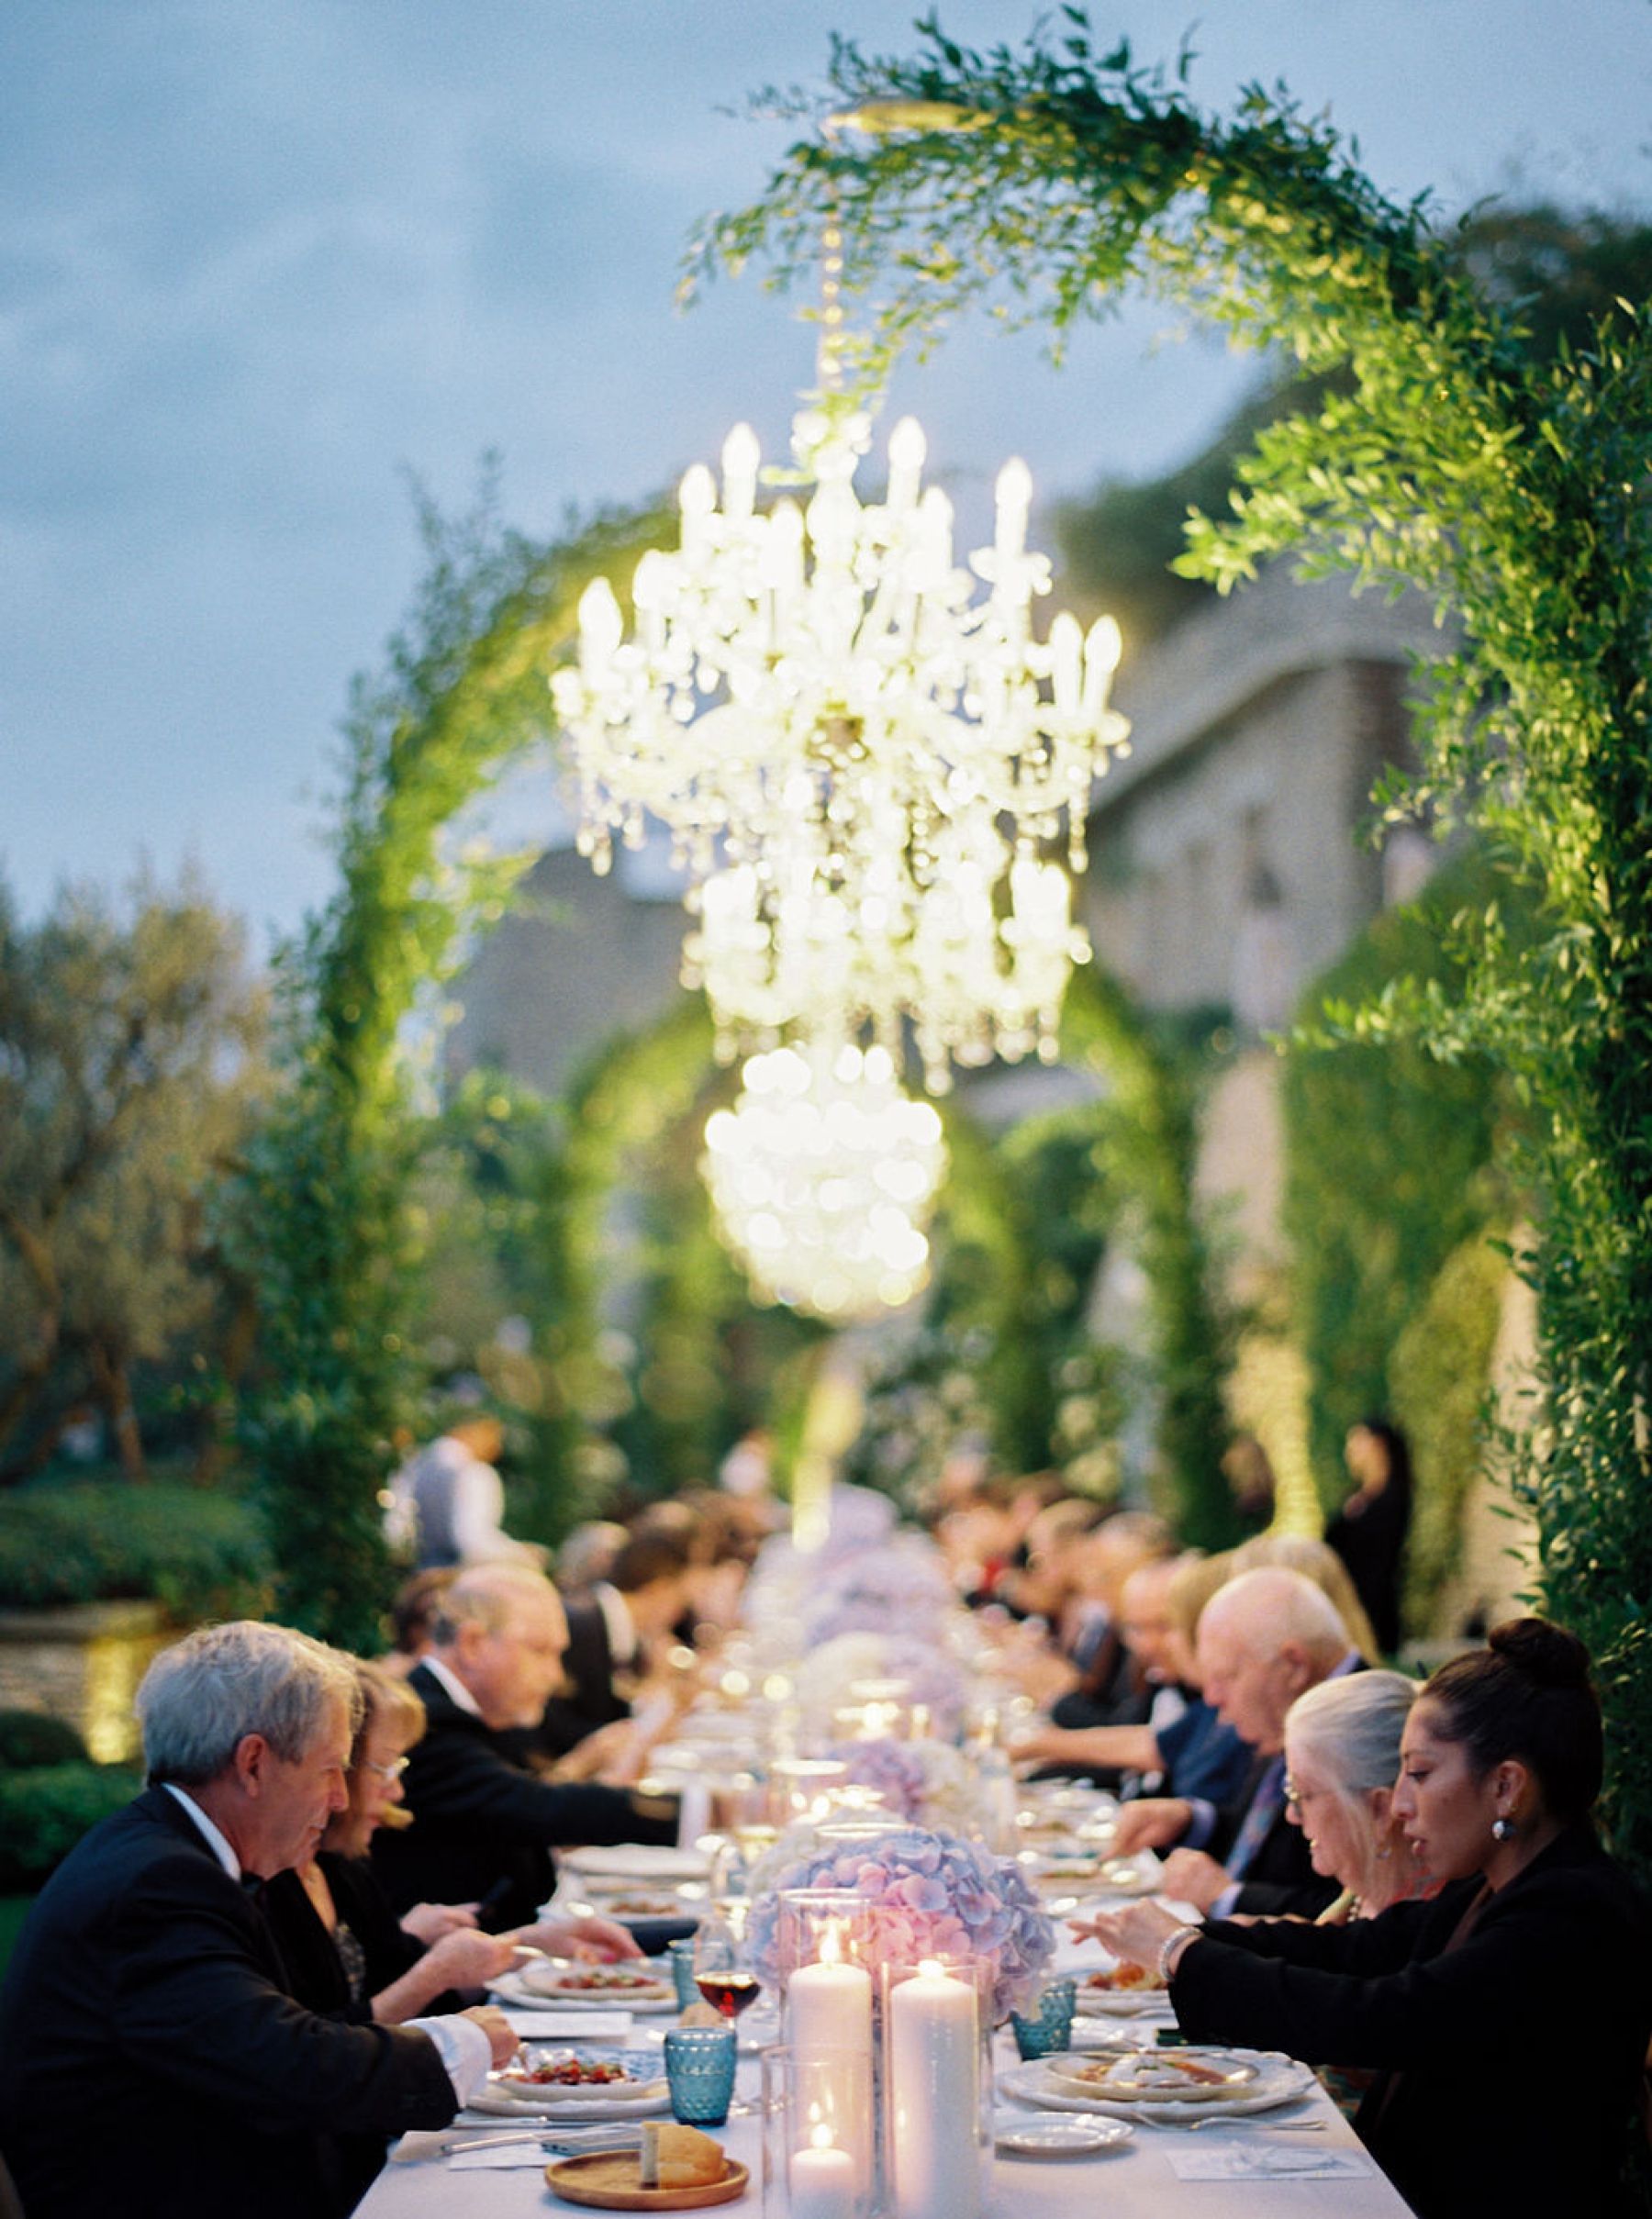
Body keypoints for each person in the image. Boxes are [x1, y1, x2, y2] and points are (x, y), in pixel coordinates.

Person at [1082, 1620, 1652, 2219]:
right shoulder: (1497, 1886)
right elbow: (1355, 1950)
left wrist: (1182, 1954)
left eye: (1421, 1773)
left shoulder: (1572, 1915)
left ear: (1507, 1786)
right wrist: (1191, 1938)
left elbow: (1386, 2015)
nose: (1400, 1803)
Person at [0, 1622, 517, 2219]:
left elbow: (283, 2038)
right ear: (253, 1764)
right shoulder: (157, 1886)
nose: (341, 1799)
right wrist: (464, 2042)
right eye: (330, 1770)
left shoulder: (175, 1854)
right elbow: (289, 2068)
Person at [371, 1563, 679, 1929]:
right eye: (540, 1651)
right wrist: (700, 1809)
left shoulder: (486, 1711)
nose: (556, 1676)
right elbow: (539, 1807)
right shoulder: (424, 1721)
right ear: (472, 1644)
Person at [1109, 1566, 1362, 1916]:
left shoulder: (1360, 1727)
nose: (1211, 1699)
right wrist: (1190, 1819)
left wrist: (1229, 1896)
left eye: (1225, 1678)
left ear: (1294, 1666)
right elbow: (1262, 1834)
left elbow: (1360, 1913)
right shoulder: (1289, 1706)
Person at [1011, 1554, 1252, 1808]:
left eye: (1165, 1626)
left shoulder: (1220, 1703)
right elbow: (1150, 1744)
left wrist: (1054, 1710)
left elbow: (1150, 1749)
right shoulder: (1169, 1680)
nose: (1149, 1644)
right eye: (1136, 1628)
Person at [536, 1528, 697, 1759]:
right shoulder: (581, 1625)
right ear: (658, 1589)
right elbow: (553, 1726)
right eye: (680, 1599)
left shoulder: (620, 1627)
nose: (680, 1614)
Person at [384, 1413, 541, 1570]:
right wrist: (520, 1554)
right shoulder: (474, 1473)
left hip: (418, 1574)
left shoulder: (414, 1465)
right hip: (455, 1579)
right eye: (492, 1435)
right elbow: (472, 1541)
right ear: (471, 1429)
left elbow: (395, 1530)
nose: (496, 1448)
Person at [1325, 1417, 1412, 1655]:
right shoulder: (1356, 1496)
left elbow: (1379, 1558)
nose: (1350, 1449)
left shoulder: (1391, 1498)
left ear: (1378, 1444)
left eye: (1357, 1440)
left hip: (1373, 1605)